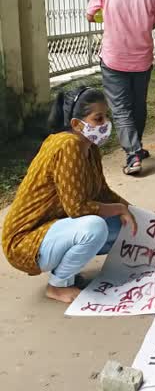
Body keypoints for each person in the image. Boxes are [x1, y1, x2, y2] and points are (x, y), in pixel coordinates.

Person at [1, 87, 137, 304]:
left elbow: (103, 192)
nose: (105, 124)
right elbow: (77, 209)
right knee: (95, 227)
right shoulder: (68, 146)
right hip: (24, 242)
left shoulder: (89, 147)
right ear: (76, 123)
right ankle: (57, 286)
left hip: (53, 229)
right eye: (98, 118)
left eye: (106, 117)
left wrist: (142, 216)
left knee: (126, 226)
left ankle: (67, 272)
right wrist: (120, 209)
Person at [86, 0, 155, 176]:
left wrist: (107, 15)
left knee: (120, 108)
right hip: (142, 57)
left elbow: (90, 15)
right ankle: (136, 146)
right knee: (138, 104)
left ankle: (133, 154)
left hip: (114, 57)